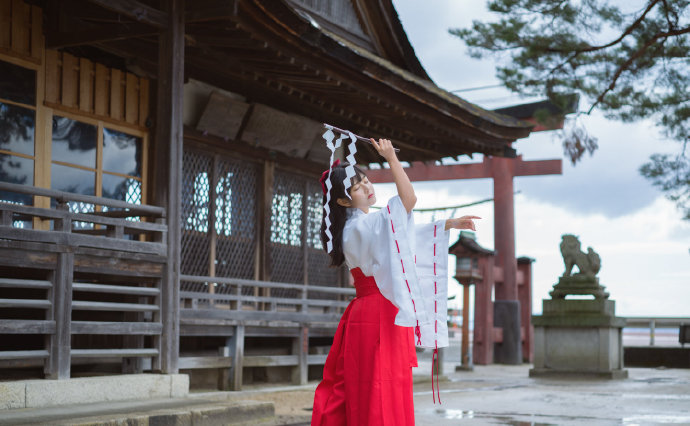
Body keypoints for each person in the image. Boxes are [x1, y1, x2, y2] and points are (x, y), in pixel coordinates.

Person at [311, 138, 479, 425]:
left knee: (380, 385)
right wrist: (390, 158)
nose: (367, 187)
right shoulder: (362, 225)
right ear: (342, 200)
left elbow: (400, 235)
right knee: (379, 386)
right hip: (379, 312)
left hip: (377, 310)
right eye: (357, 187)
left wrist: (445, 225)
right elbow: (407, 204)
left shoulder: (360, 225)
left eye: (365, 181)